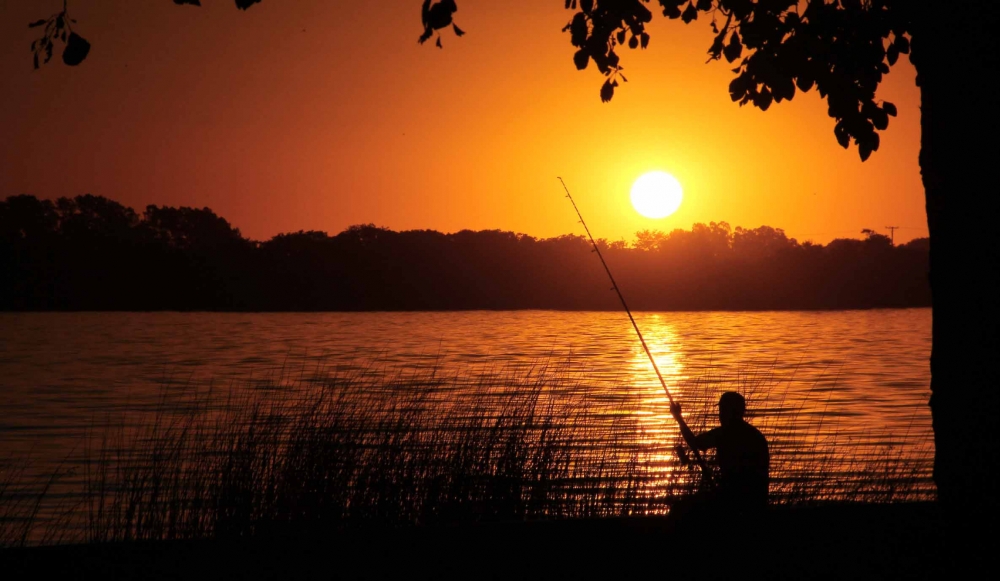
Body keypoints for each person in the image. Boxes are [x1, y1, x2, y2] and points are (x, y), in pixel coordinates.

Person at [671, 391, 769, 514]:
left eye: (722, 410)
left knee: (679, 509)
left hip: (734, 501)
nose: (720, 415)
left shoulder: (725, 433)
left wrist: (679, 418)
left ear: (730, 412)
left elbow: (696, 443)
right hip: (757, 501)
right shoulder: (756, 436)